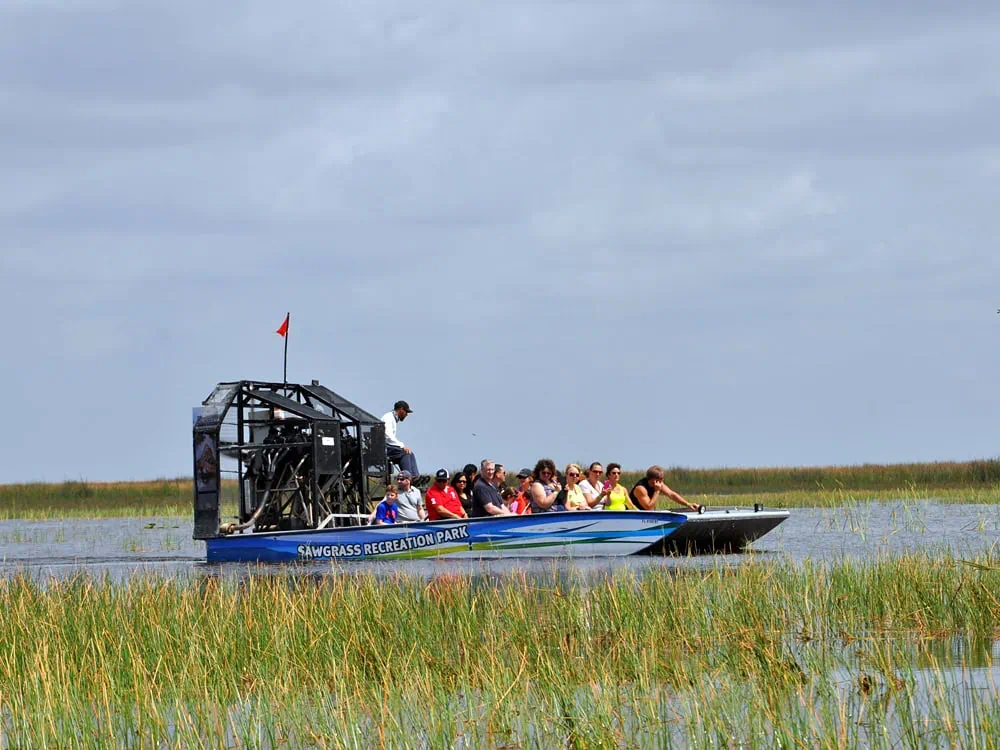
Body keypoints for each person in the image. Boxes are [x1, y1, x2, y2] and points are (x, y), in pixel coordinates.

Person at [630, 465, 699, 511]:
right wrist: (657, 491)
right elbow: (648, 508)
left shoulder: (659, 484)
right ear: (653, 480)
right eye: (660, 479)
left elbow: (671, 494)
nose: (662, 481)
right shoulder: (640, 489)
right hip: (635, 515)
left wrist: (688, 504)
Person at [382, 400, 419, 477]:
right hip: (383, 448)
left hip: (387, 446)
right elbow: (387, 436)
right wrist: (401, 445)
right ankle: (408, 477)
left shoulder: (392, 418)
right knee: (405, 453)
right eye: (406, 412)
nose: (406, 415)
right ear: (401, 410)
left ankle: (415, 476)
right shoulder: (388, 418)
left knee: (410, 453)